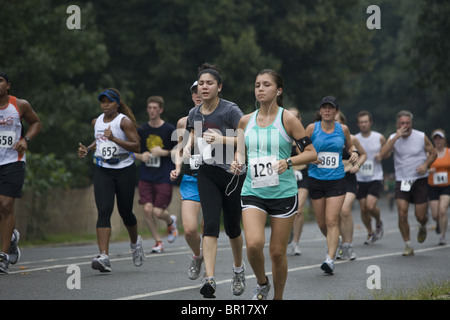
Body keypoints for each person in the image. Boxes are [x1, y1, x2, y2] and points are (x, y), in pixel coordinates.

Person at [231, 70, 317, 300]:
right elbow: (241, 152)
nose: (260, 88)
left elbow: (311, 153)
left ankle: (278, 297)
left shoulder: (287, 119)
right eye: (257, 84)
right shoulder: (245, 120)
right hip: (253, 191)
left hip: (283, 193)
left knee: (277, 253)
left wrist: (288, 161)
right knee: (254, 244)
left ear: (278, 91)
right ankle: (262, 283)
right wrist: (238, 163)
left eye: (266, 85)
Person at [185, 63, 246, 298]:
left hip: (232, 175)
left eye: (209, 83)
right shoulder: (194, 113)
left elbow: (246, 139)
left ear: (219, 87)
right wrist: (187, 150)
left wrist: (222, 139)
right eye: (201, 83)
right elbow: (192, 136)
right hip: (207, 173)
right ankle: (209, 279)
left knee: (232, 228)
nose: (204, 87)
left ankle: (238, 270)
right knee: (209, 224)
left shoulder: (231, 111)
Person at [78, 88, 144, 272]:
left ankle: (135, 243)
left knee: (125, 212)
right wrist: (88, 149)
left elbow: (137, 145)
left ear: (117, 104)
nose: (105, 105)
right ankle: (104, 256)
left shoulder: (124, 122)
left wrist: (114, 138)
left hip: (124, 169)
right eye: (102, 102)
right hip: (103, 169)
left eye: (109, 101)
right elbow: (99, 141)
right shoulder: (96, 121)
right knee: (104, 210)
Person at [305, 96, 359, 275]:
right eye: (324, 108)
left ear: (336, 111)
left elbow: (351, 147)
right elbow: (300, 147)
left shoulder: (343, 129)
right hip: (316, 179)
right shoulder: (312, 128)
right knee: (322, 223)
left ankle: (330, 259)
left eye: (331, 108)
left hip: (336, 179)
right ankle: (336, 240)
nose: (327, 111)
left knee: (331, 220)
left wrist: (354, 154)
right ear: (320, 111)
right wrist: (310, 156)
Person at [0, 71, 41, 274]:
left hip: (12, 161)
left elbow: (36, 123)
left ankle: (3, 256)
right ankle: (12, 238)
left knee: (6, 205)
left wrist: (26, 140)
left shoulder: (20, 105)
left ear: (8, 85)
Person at [379, 110, 437, 256]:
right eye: (402, 123)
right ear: (397, 125)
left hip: (419, 180)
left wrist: (426, 165)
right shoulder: (393, 137)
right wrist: (395, 138)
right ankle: (408, 244)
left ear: (411, 123)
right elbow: (383, 155)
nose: (405, 126)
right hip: (402, 180)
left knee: (420, 216)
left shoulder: (420, 136)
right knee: (402, 213)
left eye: (408, 123)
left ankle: (423, 225)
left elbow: (434, 153)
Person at [135, 96, 178, 254]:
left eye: (155, 108)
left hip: (163, 175)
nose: (152, 110)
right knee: (147, 209)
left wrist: (163, 152)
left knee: (157, 212)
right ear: (147, 109)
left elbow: (179, 152)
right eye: (150, 107)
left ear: (160, 110)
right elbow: (131, 152)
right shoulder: (141, 130)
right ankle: (158, 242)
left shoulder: (169, 129)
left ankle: (170, 221)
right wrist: (140, 157)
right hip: (146, 175)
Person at [170, 81, 204, 280]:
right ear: (192, 96)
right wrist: (176, 168)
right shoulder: (183, 122)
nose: (198, 94)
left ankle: (210, 264)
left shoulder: (219, 117)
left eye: (201, 91)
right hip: (191, 178)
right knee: (190, 229)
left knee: (207, 228)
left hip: (213, 178)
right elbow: (179, 150)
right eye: (194, 92)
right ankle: (198, 255)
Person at [335, 111, 367, 261]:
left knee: (345, 210)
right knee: (335, 215)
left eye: (338, 122)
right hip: (333, 179)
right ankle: (341, 243)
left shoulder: (351, 138)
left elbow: (363, 154)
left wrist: (358, 165)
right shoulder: (325, 138)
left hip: (349, 179)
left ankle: (349, 245)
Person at [355, 110, 386, 245]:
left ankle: (378, 222)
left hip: (375, 176)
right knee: (363, 208)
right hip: (359, 177)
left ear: (370, 122)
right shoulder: (355, 139)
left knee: (370, 205)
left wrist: (382, 156)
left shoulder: (379, 137)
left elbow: (387, 152)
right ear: (358, 124)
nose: (364, 125)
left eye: (366, 122)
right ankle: (370, 232)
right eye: (361, 122)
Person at [287, 107, 309, 256]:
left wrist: (296, 141)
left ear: (299, 120)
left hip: (302, 176)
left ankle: (295, 242)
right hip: (285, 177)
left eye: (295, 117)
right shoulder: (281, 135)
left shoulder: (304, 136)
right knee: (288, 211)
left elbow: (306, 154)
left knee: (299, 210)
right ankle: (288, 231)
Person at [428, 129, 449, 245]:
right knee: (435, 214)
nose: (438, 141)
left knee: (442, 210)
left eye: (440, 138)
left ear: (444, 140)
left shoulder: (449, 153)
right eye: (435, 138)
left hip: (447, 186)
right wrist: (428, 170)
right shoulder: (430, 154)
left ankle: (442, 235)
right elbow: (422, 167)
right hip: (433, 186)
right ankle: (438, 223)